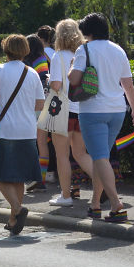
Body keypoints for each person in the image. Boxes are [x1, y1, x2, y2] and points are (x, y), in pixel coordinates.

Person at [69, 12, 134, 223]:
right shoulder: (118, 49)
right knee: (103, 158)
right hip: (117, 109)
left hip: (93, 110)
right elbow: (128, 83)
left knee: (99, 157)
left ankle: (117, 205)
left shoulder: (85, 49)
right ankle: (95, 205)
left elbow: (74, 79)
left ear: (88, 32)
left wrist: (72, 64)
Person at [0, 35, 46, 235]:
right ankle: (13, 219)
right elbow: (39, 104)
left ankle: (18, 210)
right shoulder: (32, 73)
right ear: (25, 50)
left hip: (4, 130)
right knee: (18, 177)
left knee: (1, 174)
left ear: (5, 49)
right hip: (27, 129)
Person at [46, 18, 94, 207]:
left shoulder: (59, 56)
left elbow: (56, 85)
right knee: (81, 154)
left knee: (62, 156)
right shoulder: (84, 53)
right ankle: (105, 185)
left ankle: (65, 195)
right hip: (81, 109)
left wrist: (49, 81)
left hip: (62, 111)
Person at [25, 34, 52, 192]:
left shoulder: (25, 63)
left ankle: (35, 177)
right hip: (43, 105)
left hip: (30, 106)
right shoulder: (41, 60)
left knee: (34, 142)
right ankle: (40, 178)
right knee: (41, 142)